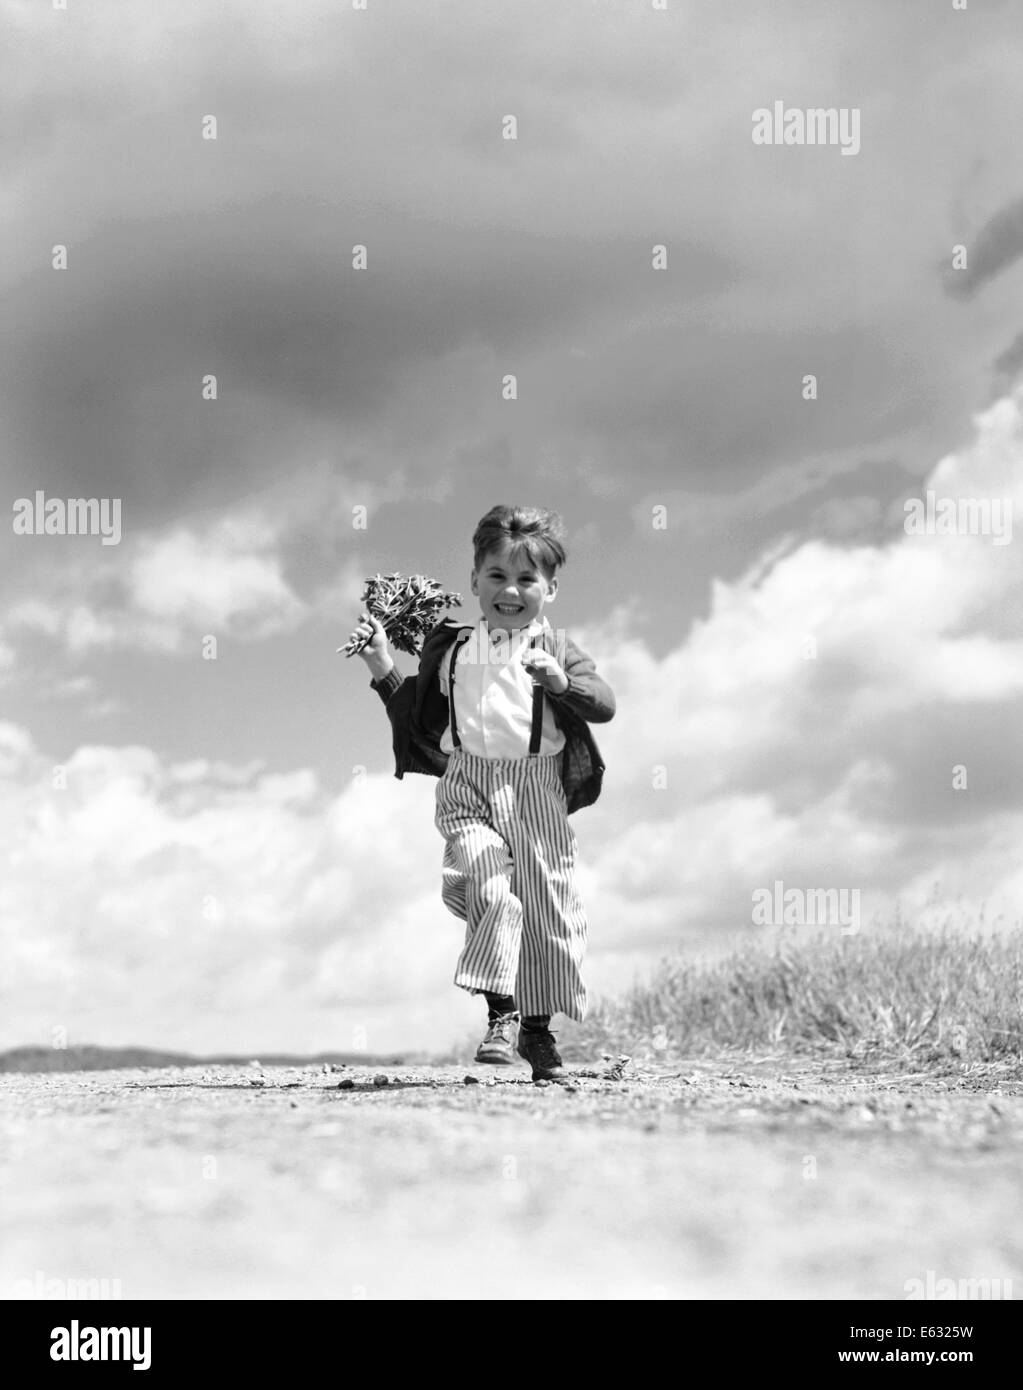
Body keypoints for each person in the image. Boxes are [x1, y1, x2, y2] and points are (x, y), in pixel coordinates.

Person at [347, 504, 615, 1081]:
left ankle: (538, 1036)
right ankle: (501, 1014)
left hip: (537, 791)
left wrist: (562, 684)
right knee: (493, 887)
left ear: (550, 587)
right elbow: (416, 714)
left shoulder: (556, 647)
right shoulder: (454, 649)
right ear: (473, 581)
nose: (511, 590)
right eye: (497, 576)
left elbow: (604, 703)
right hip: (469, 786)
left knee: (548, 911)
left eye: (527, 579)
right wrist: (382, 667)